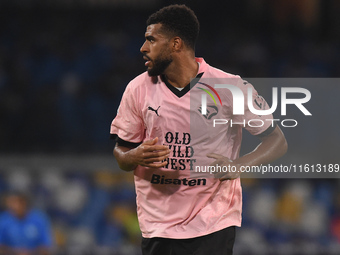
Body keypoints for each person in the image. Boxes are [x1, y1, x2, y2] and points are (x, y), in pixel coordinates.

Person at [110, 4, 287, 255]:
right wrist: (132, 157)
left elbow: (277, 141)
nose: (143, 48)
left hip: (213, 220)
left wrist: (239, 165)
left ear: (176, 44)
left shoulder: (229, 87)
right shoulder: (137, 89)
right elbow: (121, 152)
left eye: (151, 40)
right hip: (158, 223)